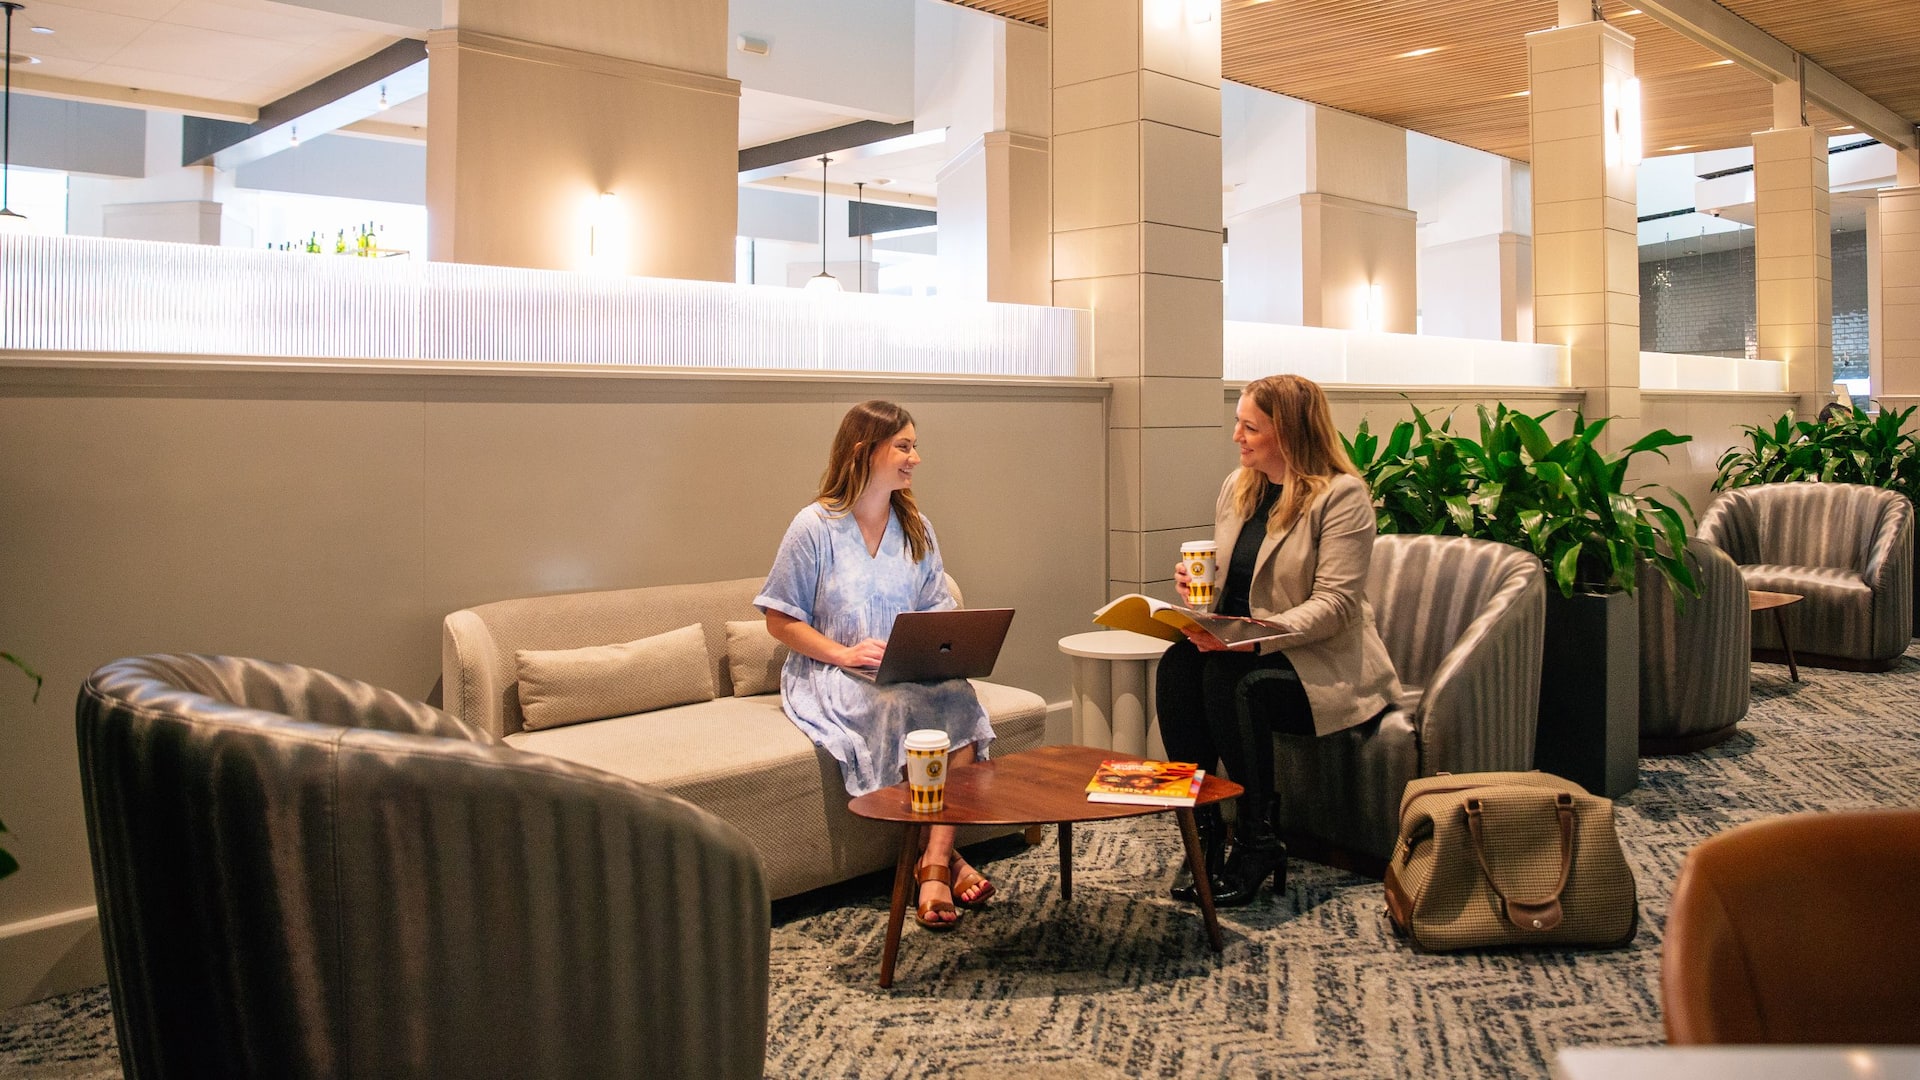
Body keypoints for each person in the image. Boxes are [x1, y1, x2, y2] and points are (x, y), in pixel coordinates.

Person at [1159, 374, 1404, 907]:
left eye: (1250, 426)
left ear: (1289, 432)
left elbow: (1335, 607)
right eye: (1238, 424)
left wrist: (1253, 641)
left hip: (1319, 662)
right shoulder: (1239, 486)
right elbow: (1235, 583)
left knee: (1231, 679)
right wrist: (1197, 588)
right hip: (1243, 647)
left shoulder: (1343, 497)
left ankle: (1258, 840)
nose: (1236, 436)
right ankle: (1201, 831)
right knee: (1177, 663)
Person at [755, 400, 997, 931]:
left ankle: (934, 856)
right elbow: (778, 619)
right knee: (895, 703)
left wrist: (935, 646)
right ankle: (944, 864)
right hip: (831, 671)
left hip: (904, 665)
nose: (916, 458)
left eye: (914, 445)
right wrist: (843, 653)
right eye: (904, 446)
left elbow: (937, 604)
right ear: (866, 452)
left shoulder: (916, 527)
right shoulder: (814, 526)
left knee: (958, 696)